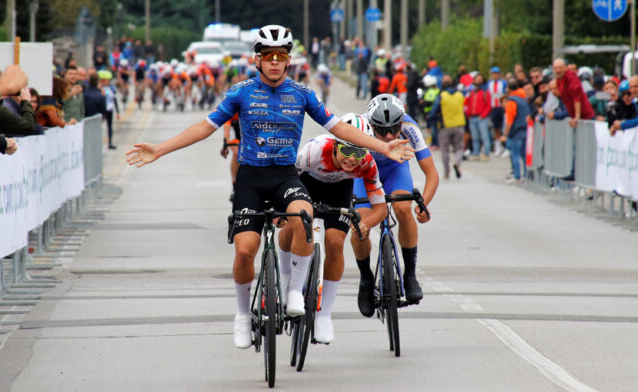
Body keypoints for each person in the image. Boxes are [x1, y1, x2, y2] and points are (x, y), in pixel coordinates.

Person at [125, 25, 414, 350]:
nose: (275, 62)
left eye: (281, 57)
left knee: (304, 217)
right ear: (257, 60)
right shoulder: (240, 92)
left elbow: (339, 128)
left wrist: (382, 146)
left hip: (285, 177)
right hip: (251, 177)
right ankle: (242, 316)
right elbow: (204, 128)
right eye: (268, 57)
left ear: (288, 60)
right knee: (245, 250)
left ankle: (294, 292)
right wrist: (160, 149)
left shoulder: (302, 93)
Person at [280, 113, 388, 343]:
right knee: (292, 225)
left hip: (339, 191)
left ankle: (324, 315)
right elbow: (286, 180)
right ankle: (286, 278)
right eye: (347, 151)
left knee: (335, 242)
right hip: (306, 183)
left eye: (358, 152)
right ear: (335, 145)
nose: (352, 158)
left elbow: (381, 208)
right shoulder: (315, 151)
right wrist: (281, 212)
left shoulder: (367, 164)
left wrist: (366, 224)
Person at [352, 94, 439, 317]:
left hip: (395, 170)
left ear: (402, 122)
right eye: (382, 131)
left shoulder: (410, 127)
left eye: (394, 129)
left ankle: (410, 274)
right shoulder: (359, 127)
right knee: (361, 224)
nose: (390, 136)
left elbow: (431, 173)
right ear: (371, 125)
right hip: (363, 174)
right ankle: (365, 279)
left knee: (403, 208)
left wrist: (424, 205)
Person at [429, 75, 466, 179]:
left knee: (445, 150)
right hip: (459, 125)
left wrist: (431, 120)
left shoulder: (441, 96)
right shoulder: (460, 95)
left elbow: (434, 111)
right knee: (459, 147)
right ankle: (457, 162)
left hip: (444, 126)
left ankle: (447, 172)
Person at [500, 79, 531, 184]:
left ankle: (517, 176)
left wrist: (505, 134)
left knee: (515, 154)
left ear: (508, 89)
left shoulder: (512, 100)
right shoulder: (523, 99)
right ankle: (526, 175)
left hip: (516, 130)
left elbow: (510, 118)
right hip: (525, 128)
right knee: (523, 154)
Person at [553, 59, 594, 128]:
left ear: (565, 68)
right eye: (556, 68)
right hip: (575, 116)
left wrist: (577, 117)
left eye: (560, 67)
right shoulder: (558, 80)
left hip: (585, 116)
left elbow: (576, 97)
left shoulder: (571, 78)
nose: (558, 70)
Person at [465, 73, 491, 161]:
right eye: (477, 79)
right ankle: (475, 153)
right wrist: (468, 114)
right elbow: (467, 103)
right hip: (472, 117)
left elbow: (488, 105)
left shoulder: (484, 91)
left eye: (480, 79)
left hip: (481, 117)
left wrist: (483, 115)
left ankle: (485, 153)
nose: (478, 81)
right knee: (475, 137)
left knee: (484, 136)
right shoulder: (471, 92)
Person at [487, 66, 507, 155]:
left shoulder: (503, 83)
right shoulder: (489, 84)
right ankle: (497, 147)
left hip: (501, 107)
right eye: (493, 74)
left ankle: (505, 147)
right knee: (496, 128)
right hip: (493, 107)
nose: (495, 76)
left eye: (496, 74)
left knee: (504, 126)